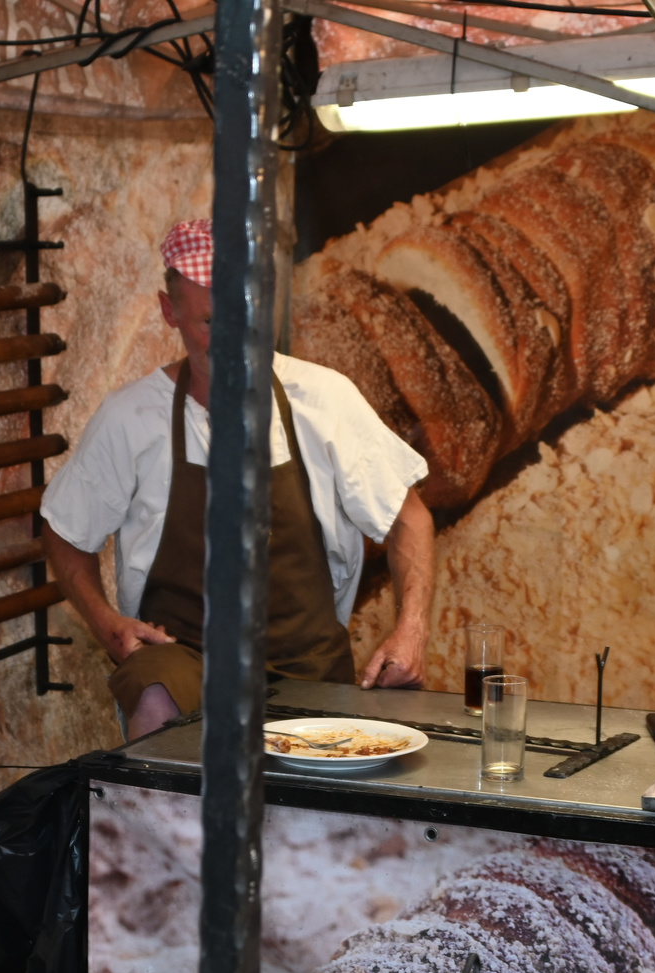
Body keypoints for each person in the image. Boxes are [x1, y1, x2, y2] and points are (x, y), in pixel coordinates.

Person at [42, 218, 436, 739]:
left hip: (306, 662)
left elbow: (409, 518)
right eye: (211, 321)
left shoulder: (324, 401)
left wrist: (411, 631)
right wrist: (105, 623)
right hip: (184, 658)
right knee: (156, 698)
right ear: (170, 312)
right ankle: (156, 793)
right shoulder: (132, 419)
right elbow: (65, 531)